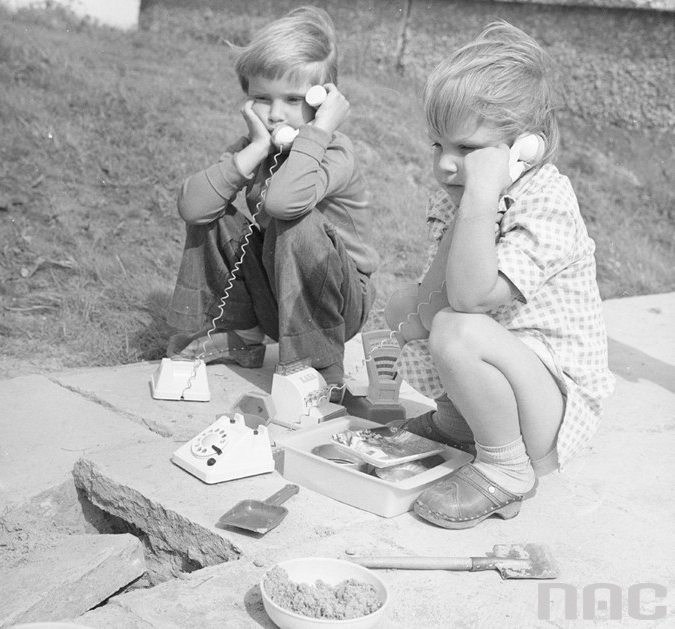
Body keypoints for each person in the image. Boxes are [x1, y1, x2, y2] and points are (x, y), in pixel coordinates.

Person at [385, 21, 614, 529]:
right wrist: (470, 203)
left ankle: (507, 468)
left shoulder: (547, 202)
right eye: (437, 146)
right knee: (409, 307)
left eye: (466, 149)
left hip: (550, 407)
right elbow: (431, 295)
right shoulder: (460, 200)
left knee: (457, 328)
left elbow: (469, 297)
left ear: (523, 148)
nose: (446, 164)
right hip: (511, 378)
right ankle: (459, 424)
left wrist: (481, 199)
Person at [166, 6, 378, 391]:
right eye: (262, 97)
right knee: (215, 210)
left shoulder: (334, 152)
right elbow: (192, 208)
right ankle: (241, 334)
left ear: (323, 100)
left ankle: (320, 366)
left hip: (339, 303)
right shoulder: (255, 146)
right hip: (278, 293)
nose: (276, 113)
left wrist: (321, 129)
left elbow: (283, 203)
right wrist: (257, 147)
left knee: (295, 222)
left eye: (294, 100)